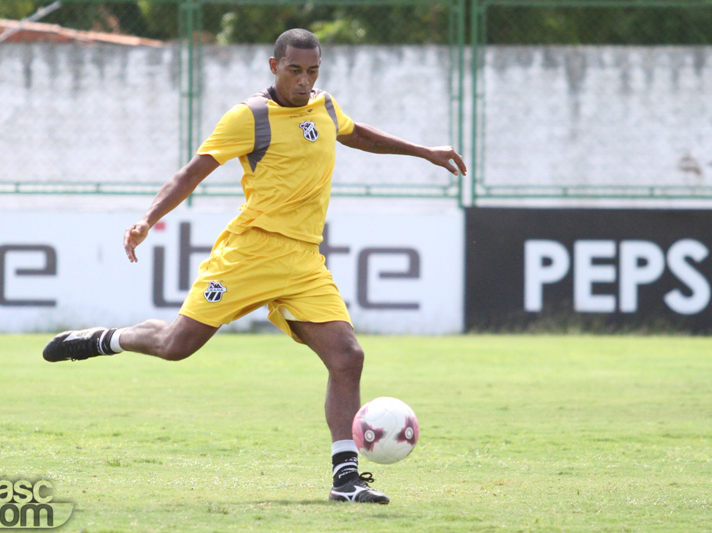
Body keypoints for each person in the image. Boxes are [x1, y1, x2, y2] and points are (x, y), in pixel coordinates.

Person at [43, 28, 467, 504]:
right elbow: (192, 171)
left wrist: (423, 151)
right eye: (294, 71)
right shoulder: (249, 117)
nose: (304, 81)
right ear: (273, 67)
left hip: (304, 260)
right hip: (250, 253)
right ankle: (104, 339)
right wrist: (147, 219)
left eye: (313, 72)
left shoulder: (324, 106)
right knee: (175, 346)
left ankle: (346, 479)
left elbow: (356, 134)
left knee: (348, 357)